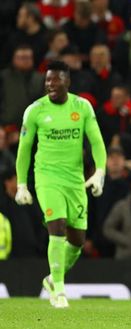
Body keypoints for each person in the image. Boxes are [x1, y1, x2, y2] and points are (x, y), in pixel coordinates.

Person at [14, 60, 107, 308]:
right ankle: (59, 292)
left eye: (56, 79)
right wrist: (22, 184)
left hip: (74, 180)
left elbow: (96, 141)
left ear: (68, 81)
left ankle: (52, 279)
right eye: (47, 80)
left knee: (77, 241)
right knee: (57, 226)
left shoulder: (82, 107)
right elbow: (24, 150)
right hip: (47, 177)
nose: (51, 84)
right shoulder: (34, 111)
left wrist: (100, 172)